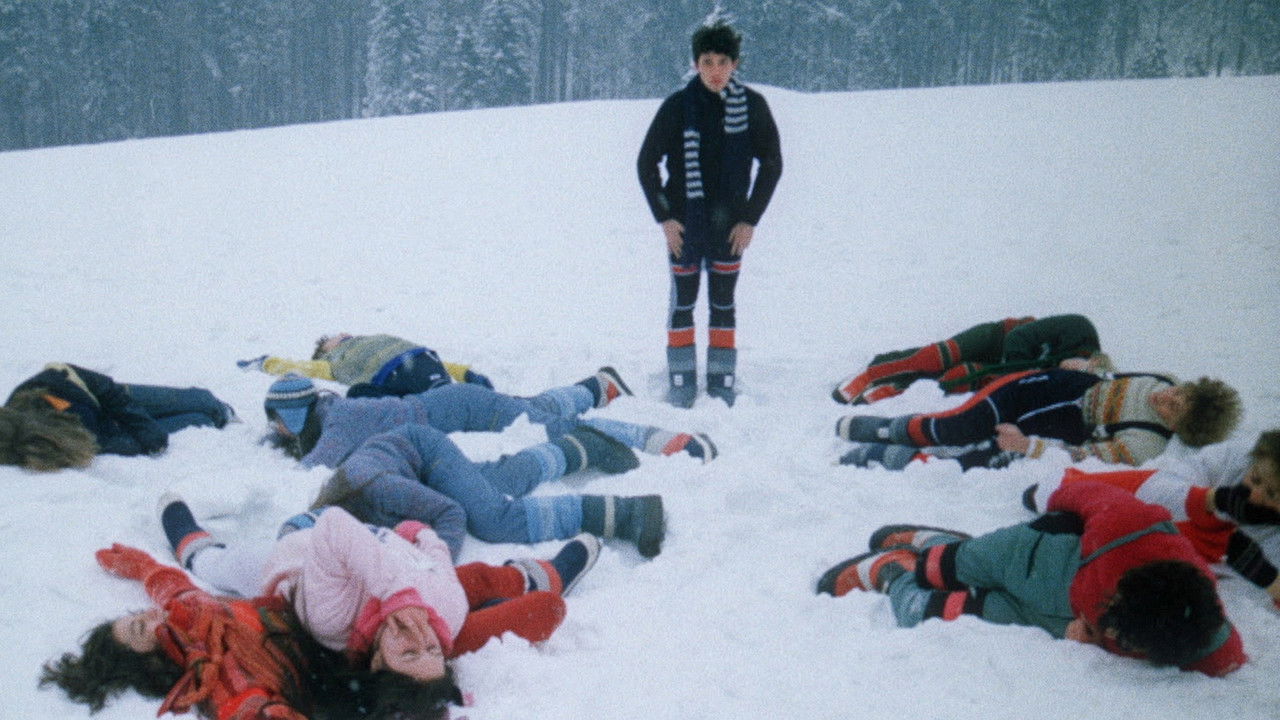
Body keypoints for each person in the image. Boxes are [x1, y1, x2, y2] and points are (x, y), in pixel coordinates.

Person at [41, 500, 601, 718]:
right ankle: (541, 581)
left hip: (297, 577)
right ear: (151, 661)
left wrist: (140, 564)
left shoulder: (187, 612)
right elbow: (251, 707)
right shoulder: (217, 673)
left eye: (137, 615)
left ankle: (188, 533)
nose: (152, 618)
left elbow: (169, 587)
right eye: (140, 630)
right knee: (460, 605)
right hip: (322, 611)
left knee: (212, 564)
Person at [816, 481, 1246, 676]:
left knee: (937, 613)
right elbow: (1094, 494)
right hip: (1040, 556)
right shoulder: (1133, 530)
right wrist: (1051, 501)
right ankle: (932, 549)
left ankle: (894, 573)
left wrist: (1094, 639)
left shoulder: (1201, 636)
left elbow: (1227, 657)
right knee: (947, 567)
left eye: (1124, 640)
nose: (1112, 636)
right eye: (1114, 624)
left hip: (1045, 617)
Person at [637, 21, 783, 408]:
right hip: (685, 226)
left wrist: (750, 219)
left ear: (735, 64)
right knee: (683, 302)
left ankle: (721, 381)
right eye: (707, 62)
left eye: (723, 62)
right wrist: (665, 218)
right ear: (695, 64)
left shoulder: (752, 107)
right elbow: (646, 163)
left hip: (730, 226)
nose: (715, 71)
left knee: (723, 302)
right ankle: (681, 381)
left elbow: (772, 164)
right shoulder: (677, 107)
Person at [292, 422, 667, 558]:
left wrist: (437, 563)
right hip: (406, 465)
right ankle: (580, 446)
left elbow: (449, 513)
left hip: (422, 450)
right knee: (498, 483)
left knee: (491, 518)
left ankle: (628, 514)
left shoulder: (378, 491)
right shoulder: (342, 513)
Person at [262, 369, 717, 471]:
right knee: (534, 408)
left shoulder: (338, 420)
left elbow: (315, 468)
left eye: (277, 420)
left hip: (461, 409)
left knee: (549, 427)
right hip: (455, 405)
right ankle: (598, 387)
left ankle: (666, 440)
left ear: (293, 414)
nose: (277, 428)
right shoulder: (331, 414)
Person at [1023, 430, 1280, 607]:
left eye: (1271, 493)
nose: (1255, 494)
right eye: (1255, 479)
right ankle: (1068, 497)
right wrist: (1213, 500)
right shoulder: (1234, 459)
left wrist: (1263, 574)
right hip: (1161, 512)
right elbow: (1161, 487)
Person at [836, 368, 1240, 471]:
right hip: (1060, 387)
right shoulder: (1164, 379)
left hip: (1063, 424)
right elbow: (1115, 375)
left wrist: (1028, 446)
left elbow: (1084, 457)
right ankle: (893, 429)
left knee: (986, 454)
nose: (1166, 397)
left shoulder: (1146, 443)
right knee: (964, 421)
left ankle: (903, 459)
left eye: (1173, 408)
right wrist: (1092, 366)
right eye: (1179, 393)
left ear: (1177, 428)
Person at [831, 314, 1109, 405]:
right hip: (997, 338)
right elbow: (1019, 338)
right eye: (1081, 369)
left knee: (958, 379)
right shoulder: (1080, 328)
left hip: (1003, 368)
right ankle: (872, 372)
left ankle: (896, 389)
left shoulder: (1064, 380)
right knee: (934, 358)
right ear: (1091, 360)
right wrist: (1016, 376)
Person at [3, 362, 236, 466]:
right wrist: (144, 442)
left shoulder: (49, 384)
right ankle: (218, 418)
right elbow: (109, 444)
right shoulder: (47, 445)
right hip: (108, 430)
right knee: (200, 420)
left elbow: (106, 389)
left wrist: (144, 427)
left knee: (201, 401)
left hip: (109, 399)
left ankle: (221, 410)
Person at [238, 332, 493, 398]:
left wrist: (465, 372)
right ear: (326, 352)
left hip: (408, 369)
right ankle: (467, 395)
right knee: (438, 391)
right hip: (422, 365)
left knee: (358, 394)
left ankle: (458, 396)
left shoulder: (368, 342)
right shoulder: (333, 362)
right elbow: (300, 367)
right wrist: (267, 363)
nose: (341, 334)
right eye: (331, 339)